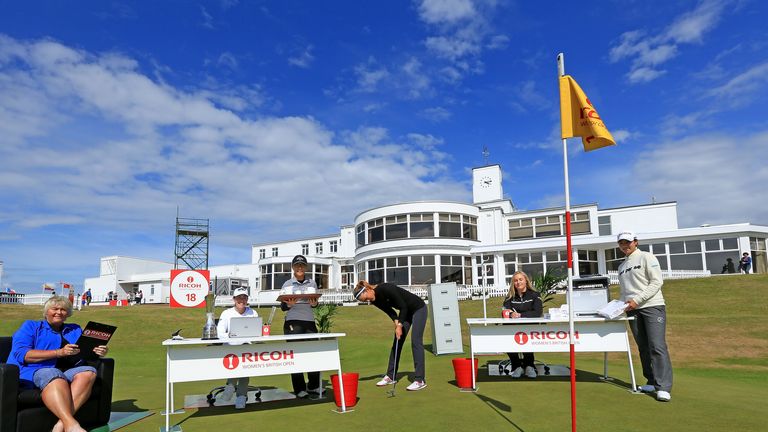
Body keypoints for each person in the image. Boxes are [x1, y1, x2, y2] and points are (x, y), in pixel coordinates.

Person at [7, 295, 109, 432]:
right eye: (54, 308)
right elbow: (22, 354)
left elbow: (85, 353)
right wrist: (59, 353)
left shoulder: (75, 329)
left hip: (67, 370)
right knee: (55, 374)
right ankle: (72, 425)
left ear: (68, 314)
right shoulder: (31, 326)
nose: (59, 312)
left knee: (89, 372)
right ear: (46, 312)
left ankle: (61, 424)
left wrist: (98, 351)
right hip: (34, 370)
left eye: (63, 309)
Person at [616, 231, 673, 402]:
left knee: (657, 345)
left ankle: (663, 387)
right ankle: (651, 381)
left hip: (652, 306)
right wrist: (617, 307)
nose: (625, 246)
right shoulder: (621, 266)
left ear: (635, 242)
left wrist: (637, 300)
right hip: (633, 309)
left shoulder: (647, 257)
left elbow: (656, 282)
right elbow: (625, 293)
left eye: (628, 242)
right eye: (621, 243)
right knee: (643, 347)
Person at [353, 280, 428, 391]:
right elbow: (390, 311)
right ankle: (391, 376)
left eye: (366, 298)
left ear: (368, 290)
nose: (368, 301)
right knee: (397, 341)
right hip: (406, 313)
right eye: (365, 301)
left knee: (415, 341)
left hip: (418, 308)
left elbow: (403, 307)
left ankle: (419, 380)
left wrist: (399, 325)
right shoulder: (375, 300)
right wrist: (396, 322)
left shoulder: (386, 288)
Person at [280, 255, 321, 398]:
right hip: (293, 322)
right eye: (297, 265)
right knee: (296, 355)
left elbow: (315, 304)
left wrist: (314, 304)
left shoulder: (312, 283)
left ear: (306, 268)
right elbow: (283, 307)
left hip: (309, 321)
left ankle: (313, 385)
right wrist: (288, 305)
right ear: (292, 267)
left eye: (302, 265)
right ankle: (299, 388)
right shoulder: (287, 284)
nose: (299, 268)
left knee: (313, 354)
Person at [216, 287, 257, 409]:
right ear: (234, 299)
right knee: (233, 369)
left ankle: (241, 396)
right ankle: (230, 388)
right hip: (230, 348)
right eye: (239, 297)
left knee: (244, 371)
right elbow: (220, 333)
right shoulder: (226, 313)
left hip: (246, 348)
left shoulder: (253, 313)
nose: (242, 300)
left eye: (244, 297)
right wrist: (232, 335)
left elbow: (256, 332)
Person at [502, 271, 543, 378]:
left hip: (529, 328)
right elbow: (505, 310)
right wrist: (511, 314)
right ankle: (516, 367)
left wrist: (520, 315)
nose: (518, 282)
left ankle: (529, 366)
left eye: (520, 279)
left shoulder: (534, 295)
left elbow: (537, 312)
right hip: (512, 328)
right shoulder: (510, 296)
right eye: (515, 280)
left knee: (527, 342)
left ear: (526, 281)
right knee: (506, 339)